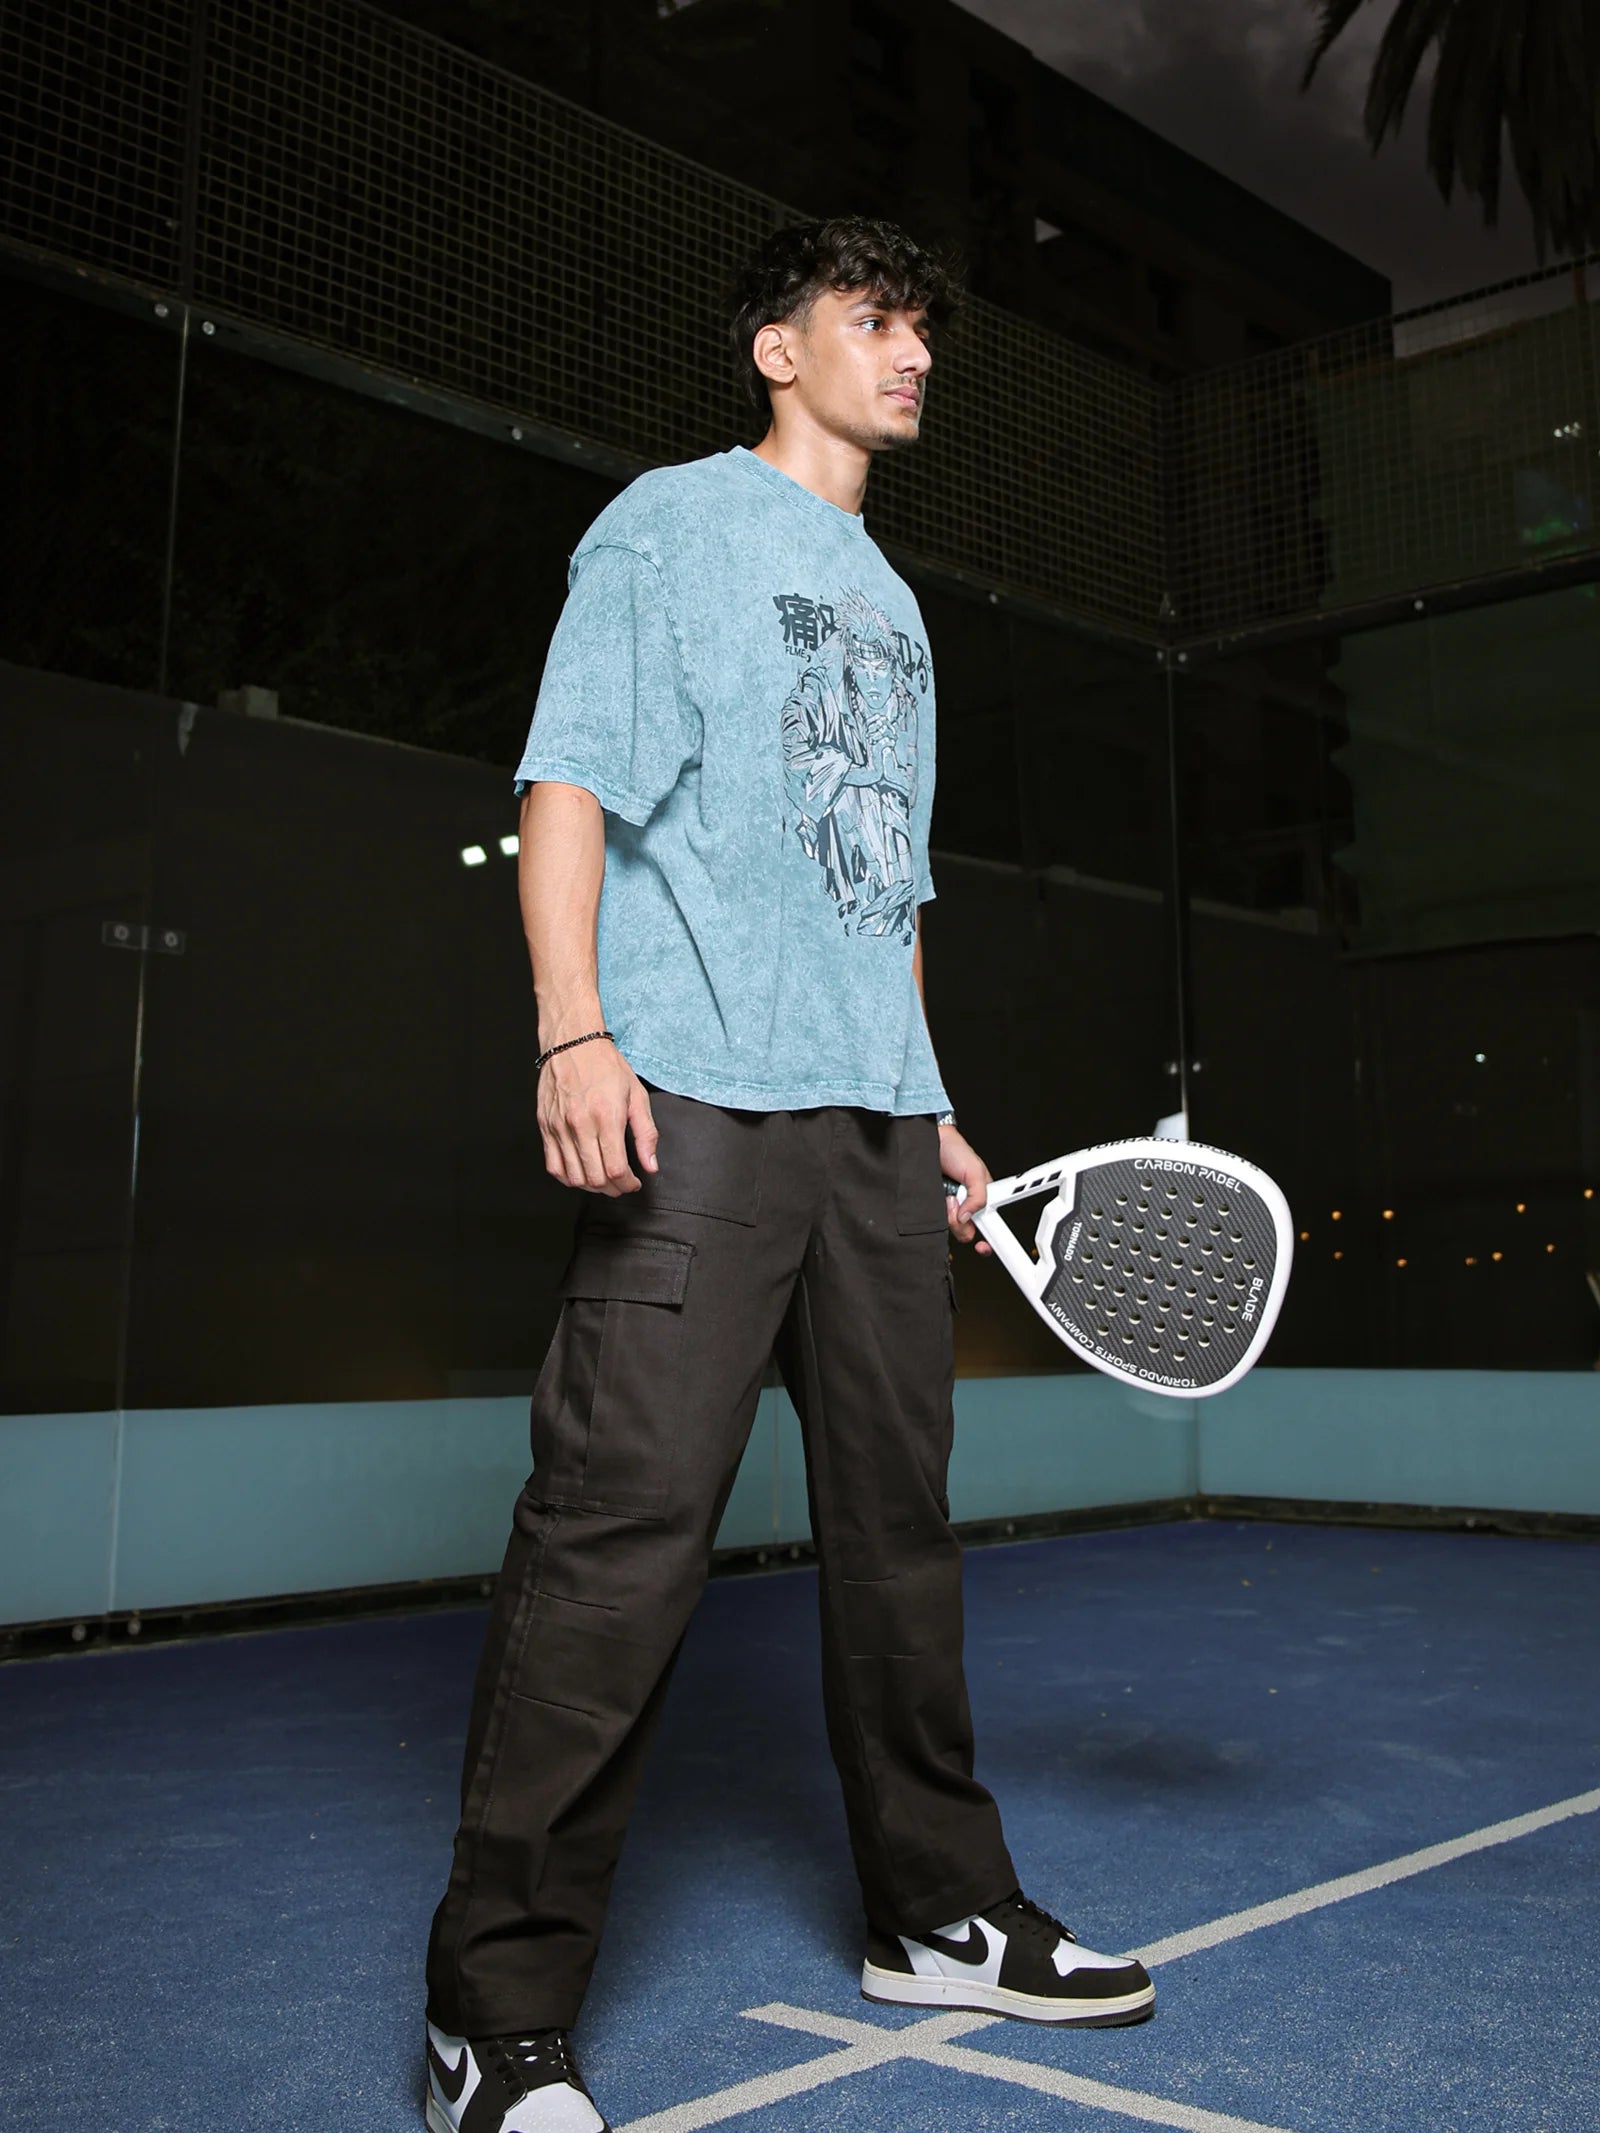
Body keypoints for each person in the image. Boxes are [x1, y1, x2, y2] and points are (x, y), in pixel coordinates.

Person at [422, 216, 1154, 2133]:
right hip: (694, 1106)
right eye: (873, 318)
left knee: (900, 1545)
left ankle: (941, 1910)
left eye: (925, 323)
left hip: (872, 1131)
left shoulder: (897, 605)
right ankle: (491, 2014)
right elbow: (566, 778)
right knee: (618, 1540)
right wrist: (573, 1028)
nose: (912, 352)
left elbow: (886, 891)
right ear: (775, 346)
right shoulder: (669, 526)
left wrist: (931, 1107)